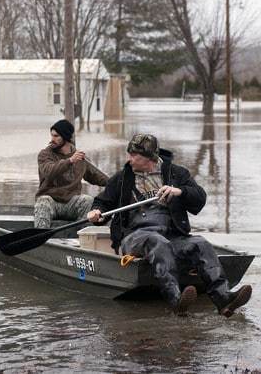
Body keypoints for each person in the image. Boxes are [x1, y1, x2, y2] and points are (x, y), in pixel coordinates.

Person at [87, 133, 252, 316]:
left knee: (200, 244)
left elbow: (199, 198)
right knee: (157, 242)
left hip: (172, 235)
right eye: (129, 154)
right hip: (135, 236)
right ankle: (176, 300)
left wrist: (180, 192)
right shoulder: (121, 178)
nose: (130, 159)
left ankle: (224, 299)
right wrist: (96, 213)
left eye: (135, 156)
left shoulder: (176, 174)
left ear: (150, 158)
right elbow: (102, 204)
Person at [34, 119, 109, 228]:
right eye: (52, 135)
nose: (52, 139)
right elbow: (49, 172)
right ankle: (41, 238)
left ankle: (79, 237)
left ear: (65, 137)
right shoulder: (45, 154)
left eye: (56, 136)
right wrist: (69, 161)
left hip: (71, 204)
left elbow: (96, 176)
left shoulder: (79, 158)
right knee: (43, 201)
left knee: (88, 201)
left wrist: (116, 183)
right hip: (51, 202)